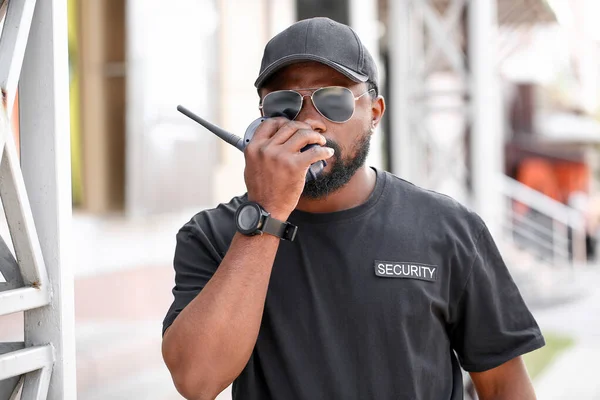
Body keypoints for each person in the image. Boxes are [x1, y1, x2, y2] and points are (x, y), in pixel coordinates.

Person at [161, 17, 545, 400]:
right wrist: (267, 212)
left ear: (375, 112)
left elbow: (503, 386)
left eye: (334, 100)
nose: (310, 121)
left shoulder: (449, 229)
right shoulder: (212, 234)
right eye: (284, 103)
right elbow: (197, 380)